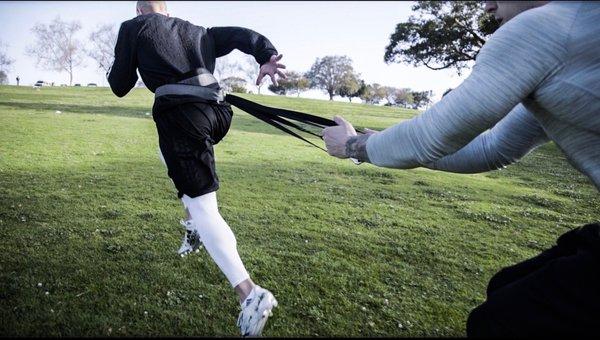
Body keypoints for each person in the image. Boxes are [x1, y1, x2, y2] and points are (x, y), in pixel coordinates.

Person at [323, 1, 599, 337]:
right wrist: (382, 141)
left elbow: (434, 135)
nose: (487, 5)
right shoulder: (580, 30)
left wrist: (353, 147)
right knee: (505, 287)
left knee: (498, 322)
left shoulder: (546, 28)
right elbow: (492, 148)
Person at [107, 1, 286, 336]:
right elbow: (243, 35)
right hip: (217, 112)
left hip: (183, 116)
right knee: (169, 159)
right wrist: (266, 56)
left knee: (205, 206)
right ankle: (192, 226)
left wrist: (121, 61)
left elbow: (119, 85)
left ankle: (250, 294)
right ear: (166, 9)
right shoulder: (197, 30)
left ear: (140, 10)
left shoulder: (134, 27)